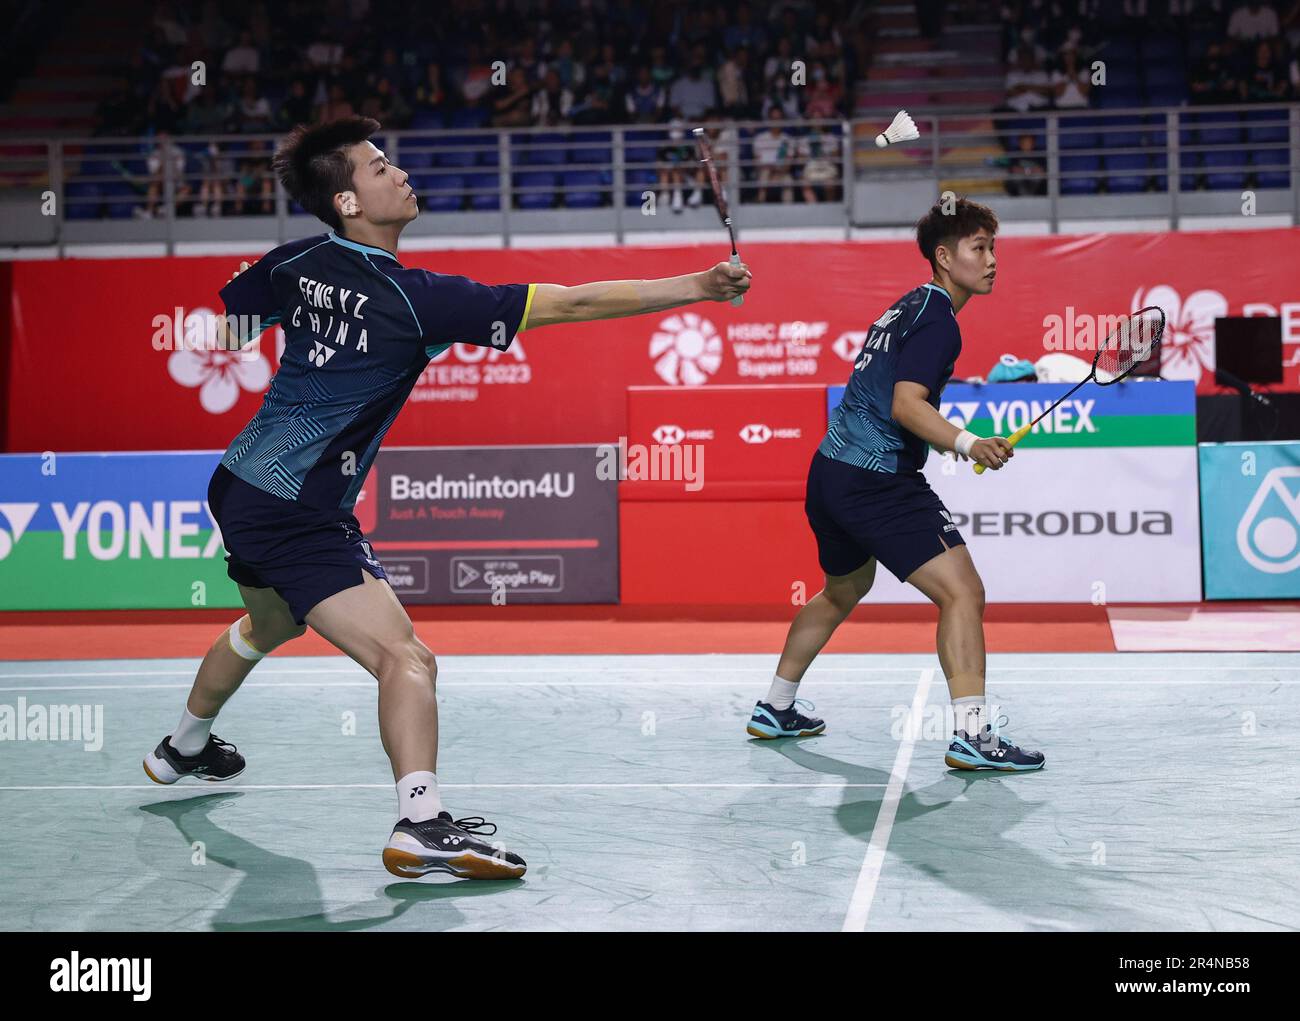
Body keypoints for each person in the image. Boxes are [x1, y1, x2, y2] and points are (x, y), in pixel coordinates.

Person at [140, 116, 752, 880]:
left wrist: (310, 336)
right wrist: (697, 285)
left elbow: (232, 322)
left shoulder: (294, 262)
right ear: (348, 203)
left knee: (266, 622)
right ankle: (422, 825)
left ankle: (182, 747)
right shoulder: (419, 299)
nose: (398, 172)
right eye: (378, 166)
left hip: (240, 484)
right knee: (408, 658)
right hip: (298, 508)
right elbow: (569, 304)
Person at [748, 197, 1045, 774]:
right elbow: (907, 406)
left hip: (830, 473)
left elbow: (898, 405)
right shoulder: (939, 323)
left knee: (842, 588)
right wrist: (968, 442)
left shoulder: (908, 306)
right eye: (978, 248)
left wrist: (946, 439)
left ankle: (776, 706)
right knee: (963, 593)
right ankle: (974, 736)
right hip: (877, 481)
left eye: (993, 248)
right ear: (943, 256)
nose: (991, 261)